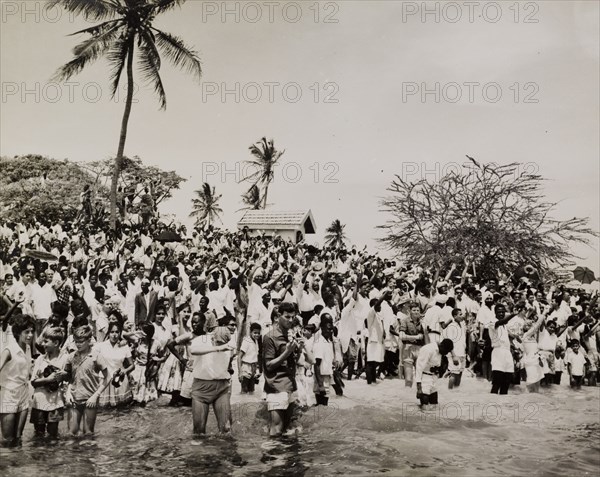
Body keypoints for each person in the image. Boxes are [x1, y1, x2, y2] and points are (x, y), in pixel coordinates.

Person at [262, 301, 303, 437]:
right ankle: (272, 456)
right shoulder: (270, 337)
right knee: (276, 429)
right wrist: (287, 352)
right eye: (287, 317)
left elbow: (293, 363)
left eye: (293, 317)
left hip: (290, 384)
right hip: (276, 386)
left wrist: (300, 350)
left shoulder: (290, 334)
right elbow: (268, 365)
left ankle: (283, 455)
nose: (290, 320)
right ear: (278, 316)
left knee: (287, 428)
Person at [65, 325, 110, 435]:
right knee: (72, 432)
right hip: (74, 398)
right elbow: (68, 378)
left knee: (88, 433)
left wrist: (96, 395)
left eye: (81, 341)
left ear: (89, 340)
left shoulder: (96, 356)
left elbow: (108, 377)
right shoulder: (71, 357)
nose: (78, 344)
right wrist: (67, 393)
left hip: (90, 399)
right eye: (76, 342)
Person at [189, 326, 234, 434]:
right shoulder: (201, 340)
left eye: (223, 343)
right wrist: (218, 348)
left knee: (226, 429)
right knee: (199, 431)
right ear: (212, 337)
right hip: (201, 388)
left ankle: (222, 448)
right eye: (218, 342)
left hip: (221, 387)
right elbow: (193, 350)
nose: (220, 345)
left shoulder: (230, 343)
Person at [0, 314, 35, 445]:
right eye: (27, 332)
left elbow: (27, 371)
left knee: (18, 437)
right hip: (8, 395)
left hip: (23, 394)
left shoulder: (27, 347)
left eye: (32, 331)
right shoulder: (9, 350)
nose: (30, 335)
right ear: (18, 332)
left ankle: (19, 465)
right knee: (7, 440)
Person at [30, 326, 70, 438]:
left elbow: (69, 378)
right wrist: (48, 379)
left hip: (56, 402)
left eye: (46, 341)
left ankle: (51, 455)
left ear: (56, 343)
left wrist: (64, 376)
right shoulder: (40, 359)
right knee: (38, 435)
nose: (43, 344)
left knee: (53, 435)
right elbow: (33, 382)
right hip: (39, 402)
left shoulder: (65, 358)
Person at [95, 322, 134, 408]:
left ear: (120, 333)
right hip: (104, 380)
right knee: (103, 410)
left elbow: (132, 365)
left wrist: (125, 370)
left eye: (117, 332)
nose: (114, 335)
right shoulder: (101, 346)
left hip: (119, 380)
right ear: (108, 333)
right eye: (112, 332)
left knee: (121, 409)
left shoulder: (124, 347)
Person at [415, 338, 454, 409]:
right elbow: (418, 368)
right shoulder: (428, 349)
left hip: (434, 378)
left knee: (434, 406)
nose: (446, 353)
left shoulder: (441, 351)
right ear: (441, 346)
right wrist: (419, 388)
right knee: (425, 407)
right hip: (424, 379)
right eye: (446, 351)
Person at [488, 303, 514, 395]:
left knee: (507, 382)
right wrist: (513, 314)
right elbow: (501, 322)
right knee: (497, 381)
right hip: (498, 352)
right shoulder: (492, 322)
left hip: (507, 352)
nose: (501, 314)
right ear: (495, 313)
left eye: (503, 312)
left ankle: (503, 405)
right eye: (499, 312)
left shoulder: (505, 326)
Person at [313, 314, 335, 406]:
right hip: (321, 378)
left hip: (326, 377)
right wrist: (321, 385)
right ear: (322, 328)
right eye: (328, 329)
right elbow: (316, 364)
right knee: (322, 405)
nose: (330, 331)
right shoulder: (320, 343)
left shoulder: (328, 342)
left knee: (324, 406)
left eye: (331, 329)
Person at [238, 322, 261, 394]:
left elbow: (255, 356)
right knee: (244, 389)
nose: (257, 335)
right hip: (246, 367)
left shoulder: (256, 341)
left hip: (253, 368)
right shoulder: (246, 341)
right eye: (255, 333)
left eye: (258, 333)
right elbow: (239, 357)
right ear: (250, 332)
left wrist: (258, 370)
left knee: (252, 390)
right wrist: (240, 372)